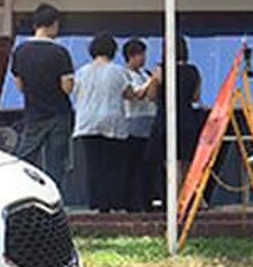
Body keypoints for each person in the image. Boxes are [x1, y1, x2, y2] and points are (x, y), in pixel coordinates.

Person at [12, 4, 75, 186]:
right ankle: (54, 196)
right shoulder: (60, 52)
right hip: (59, 113)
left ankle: (24, 191)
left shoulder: (20, 51)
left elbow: (19, 84)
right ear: (53, 24)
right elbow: (67, 87)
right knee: (56, 162)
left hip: (33, 112)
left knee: (26, 156)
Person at [71, 33, 132, 212]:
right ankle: (113, 202)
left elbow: (74, 90)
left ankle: (96, 203)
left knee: (93, 165)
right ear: (113, 51)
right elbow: (128, 94)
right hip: (112, 121)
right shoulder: (118, 71)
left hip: (87, 122)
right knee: (112, 165)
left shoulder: (82, 71)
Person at [152, 34, 204, 209]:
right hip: (188, 118)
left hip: (166, 118)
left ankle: (175, 201)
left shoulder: (161, 69)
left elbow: (152, 96)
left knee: (171, 164)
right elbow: (196, 97)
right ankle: (190, 198)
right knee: (188, 164)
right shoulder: (193, 71)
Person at [120, 38, 158, 212]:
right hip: (133, 124)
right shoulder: (125, 75)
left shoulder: (145, 73)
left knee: (148, 167)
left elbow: (152, 96)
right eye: (139, 55)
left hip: (149, 122)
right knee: (133, 166)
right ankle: (131, 202)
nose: (143, 59)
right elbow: (138, 94)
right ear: (131, 56)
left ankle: (148, 199)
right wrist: (152, 81)